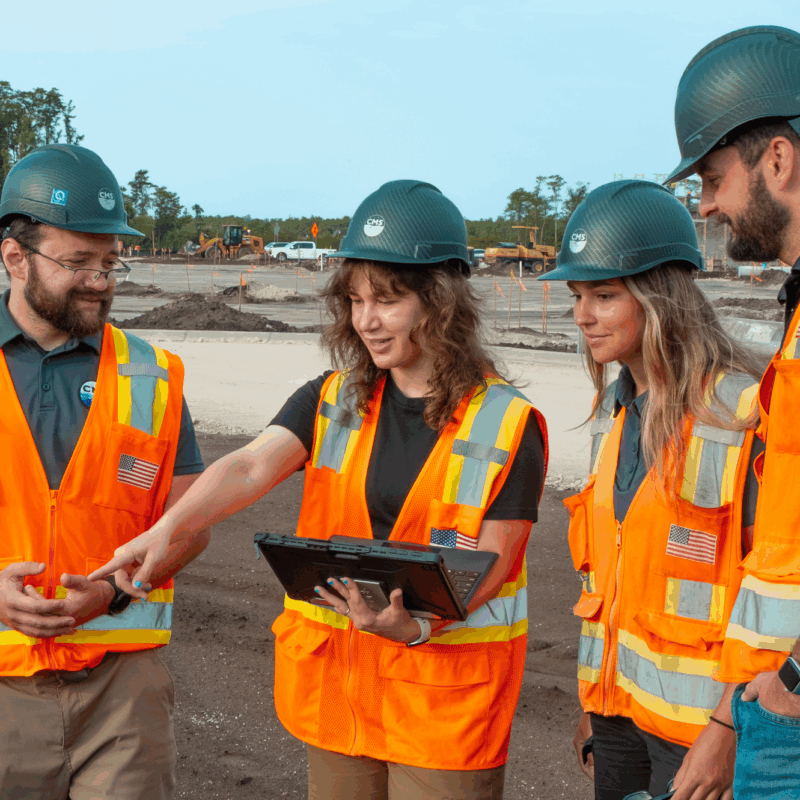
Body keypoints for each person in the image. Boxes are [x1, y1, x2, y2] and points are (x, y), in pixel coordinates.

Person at [90, 179, 548, 800]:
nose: (366, 321)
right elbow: (249, 467)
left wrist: (416, 630)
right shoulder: (333, 399)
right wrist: (164, 530)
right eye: (355, 301)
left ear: (439, 302)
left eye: (386, 301)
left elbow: (495, 564)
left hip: (442, 712)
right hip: (343, 701)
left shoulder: (508, 423)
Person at [542, 180, 765, 800]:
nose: (583, 315)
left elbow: (776, 595)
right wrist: (595, 698)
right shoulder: (616, 417)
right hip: (619, 723)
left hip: (706, 739)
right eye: (578, 296)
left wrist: (726, 730)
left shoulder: (740, 416)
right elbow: (606, 582)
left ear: (661, 297)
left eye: (605, 296)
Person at [0, 143, 208, 799]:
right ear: (14, 259)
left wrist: (113, 592)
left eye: (110, 262)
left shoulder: (152, 375)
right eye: (79, 262)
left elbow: (190, 519)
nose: (101, 279)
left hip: (123, 695)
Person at [666, 25, 800, 799]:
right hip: (767, 693)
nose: (707, 204)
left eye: (713, 177)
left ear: (776, 159)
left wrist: (795, 679)